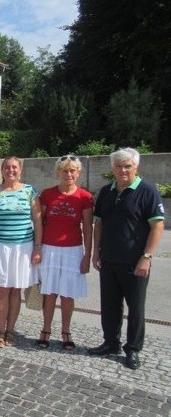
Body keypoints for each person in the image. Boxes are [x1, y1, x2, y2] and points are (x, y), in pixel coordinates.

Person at [89, 148, 165, 370]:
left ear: (136, 167)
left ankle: (132, 349)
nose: (123, 170)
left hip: (135, 262)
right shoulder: (106, 192)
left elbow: (157, 226)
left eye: (127, 166)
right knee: (110, 305)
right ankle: (111, 342)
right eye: (119, 166)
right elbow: (99, 223)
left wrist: (147, 257)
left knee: (136, 308)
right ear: (113, 168)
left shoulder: (147, 191)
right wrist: (96, 251)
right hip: (109, 259)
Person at [0, 156, 42, 348]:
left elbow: (38, 220)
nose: (10, 170)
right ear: (2, 170)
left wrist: (38, 247)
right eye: (7, 167)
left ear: (20, 169)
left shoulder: (30, 191)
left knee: (16, 291)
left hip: (23, 247)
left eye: (14, 167)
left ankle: (11, 330)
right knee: (1, 291)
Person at [37, 156, 93, 350]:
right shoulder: (47, 194)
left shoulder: (84, 197)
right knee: (50, 292)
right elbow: (39, 223)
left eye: (72, 171)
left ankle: (66, 331)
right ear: (57, 173)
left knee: (68, 294)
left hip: (73, 250)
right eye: (65, 170)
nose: (68, 174)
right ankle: (45, 329)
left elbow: (87, 227)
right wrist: (37, 248)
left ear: (78, 173)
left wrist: (87, 255)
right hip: (50, 248)